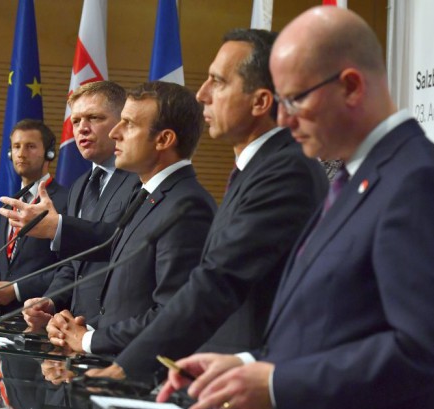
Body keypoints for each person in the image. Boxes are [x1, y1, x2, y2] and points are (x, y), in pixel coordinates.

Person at [157, 7, 434, 409]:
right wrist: (245, 366)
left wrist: (275, 384)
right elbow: (330, 322)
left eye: (295, 99)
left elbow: (424, 349)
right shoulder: (352, 179)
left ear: (350, 86)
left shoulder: (420, 180)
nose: (285, 119)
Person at [85, 29, 328, 381]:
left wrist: (127, 366)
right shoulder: (260, 167)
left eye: (217, 82)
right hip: (222, 376)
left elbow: (218, 283)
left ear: (260, 102)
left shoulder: (285, 170)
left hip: (254, 384)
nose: (202, 94)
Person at [42, 81, 216, 356]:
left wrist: (89, 340)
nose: (115, 133)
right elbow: (122, 297)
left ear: (163, 140)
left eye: (129, 124)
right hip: (110, 365)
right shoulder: (149, 196)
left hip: (141, 379)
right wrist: (69, 327)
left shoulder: (187, 205)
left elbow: (172, 315)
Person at [0, 81, 139, 329]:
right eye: (76, 121)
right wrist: (50, 301)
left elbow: (127, 243)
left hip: (119, 330)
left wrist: (59, 228)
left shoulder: (139, 178)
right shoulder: (79, 186)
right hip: (74, 331)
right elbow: (72, 264)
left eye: (94, 118)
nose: (82, 129)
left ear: (121, 123)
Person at [0, 119, 68, 315]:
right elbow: (1, 260)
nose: (21, 153)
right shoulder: (9, 203)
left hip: (42, 316)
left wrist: (16, 290)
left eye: (30, 146)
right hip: (3, 317)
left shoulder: (65, 200)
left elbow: (69, 267)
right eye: (16, 147)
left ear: (50, 153)